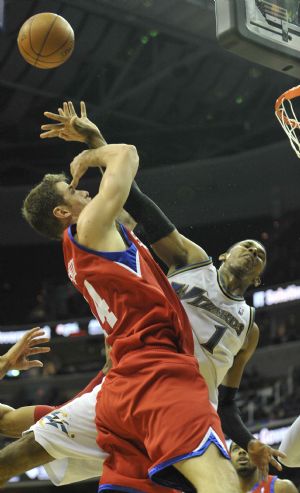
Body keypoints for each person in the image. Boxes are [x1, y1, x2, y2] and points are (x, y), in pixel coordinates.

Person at [1, 104, 239, 493]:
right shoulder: (90, 226)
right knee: (222, 482)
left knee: (18, 452)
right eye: (74, 189)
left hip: (116, 390)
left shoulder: (86, 244)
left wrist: (95, 139)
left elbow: (131, 194)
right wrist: (90, 154)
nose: (84, 188)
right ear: (64, 211)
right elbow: (127, 155)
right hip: (156, 373)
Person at [230, 441, 298, 493]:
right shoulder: (222, 490)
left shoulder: (282, 487)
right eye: (235, 449)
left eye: (247, 448)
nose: (242, 451)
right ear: (229, 457)